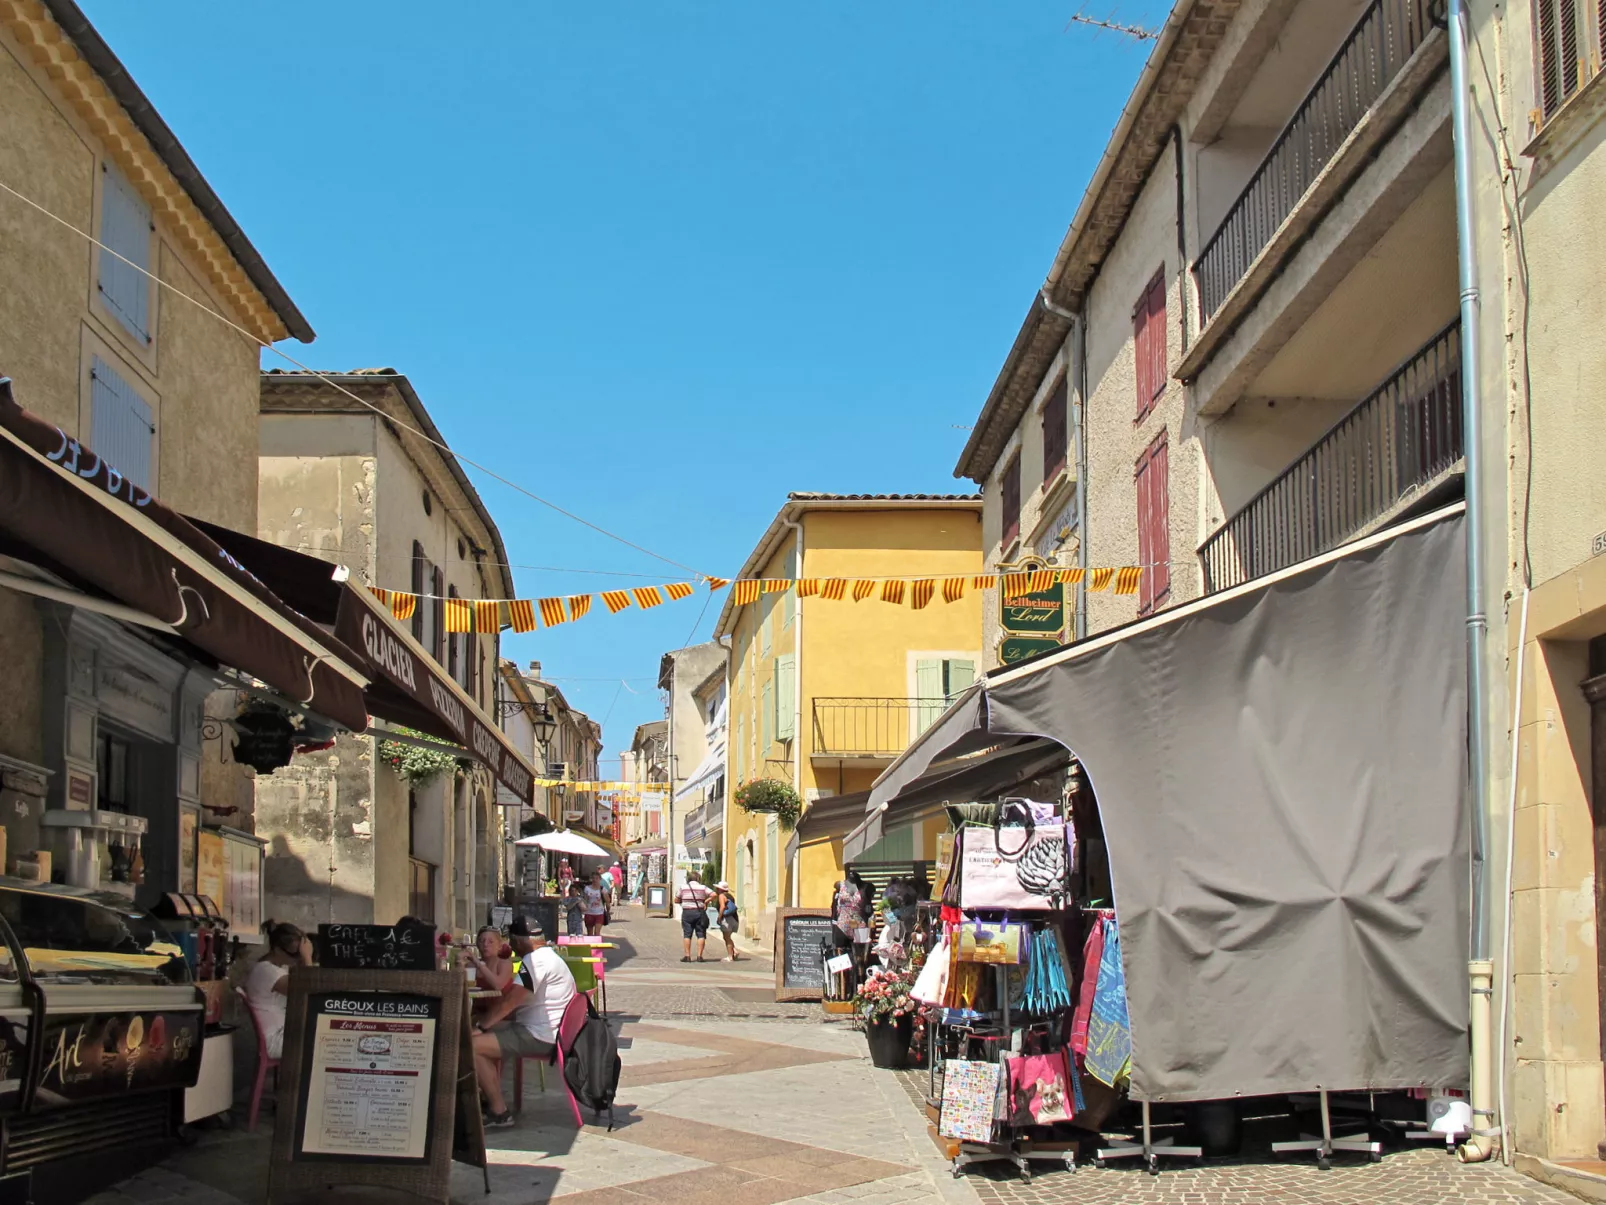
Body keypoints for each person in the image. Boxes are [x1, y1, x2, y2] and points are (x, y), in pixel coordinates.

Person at [472, 917, 577, 1128]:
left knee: (472, 1045)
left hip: (540, 1035)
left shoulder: (535, 962)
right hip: (549, 1031)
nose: (511, 948)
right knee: (489, 1031)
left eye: (512, 942)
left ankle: (499, 1111)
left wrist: (481, 1026)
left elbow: (510, 1001)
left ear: (520, 941)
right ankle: (485, 1093)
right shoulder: (548, 956)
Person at [245, 920, 313, 1059]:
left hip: (279, 1032)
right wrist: (307, 957)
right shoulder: (269, 972)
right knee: (323, 1039)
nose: (298, 958)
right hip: (275, 1040)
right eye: (295, 954)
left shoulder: (270, 967)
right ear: (277, 950)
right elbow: (308, 990)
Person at [677, 871, 712, 963]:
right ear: (698, 879)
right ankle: (699, 956)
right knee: (701, 934)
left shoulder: (683, 887)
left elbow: (676, 899)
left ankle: (687, 956)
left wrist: (684, 900)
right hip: (699, 912)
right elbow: (714, 894)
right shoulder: (703, 887)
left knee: (687, 934)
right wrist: (706, 901)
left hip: (687, 912)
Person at [466, 925, 512, 995]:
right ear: (477, 944)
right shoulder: (471, 966)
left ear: (499, 946)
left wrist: (478, 964)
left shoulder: (504, 963)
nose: (485, 944)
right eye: (481, 941)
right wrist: (459, 962)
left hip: (501, 1002)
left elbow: (498, 985)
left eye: (490, 942)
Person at [710, 881, 742, 962]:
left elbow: (722, 907)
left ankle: (730, 956)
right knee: (727, 937)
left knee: (727, 938)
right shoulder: (730, 896)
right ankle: (734, 951)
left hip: (727, 919)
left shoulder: (721, 896)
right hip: (734, 918)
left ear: (720, 889)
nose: (716, 889)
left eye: (717, 888)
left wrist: (719, 917)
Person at [581, 871, 607, 937]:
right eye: (593, 878)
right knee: (590, 933)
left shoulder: (603, 889)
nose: (595, 880)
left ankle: (597, 943)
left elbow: (607, 901)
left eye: (597, 878)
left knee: (597, 933)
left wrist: (608, 910)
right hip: (589, 913)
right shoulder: (587, 888)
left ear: (600, 879)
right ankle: (590, 943)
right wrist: (583, 909)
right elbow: (585, 900)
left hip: (599, 913)